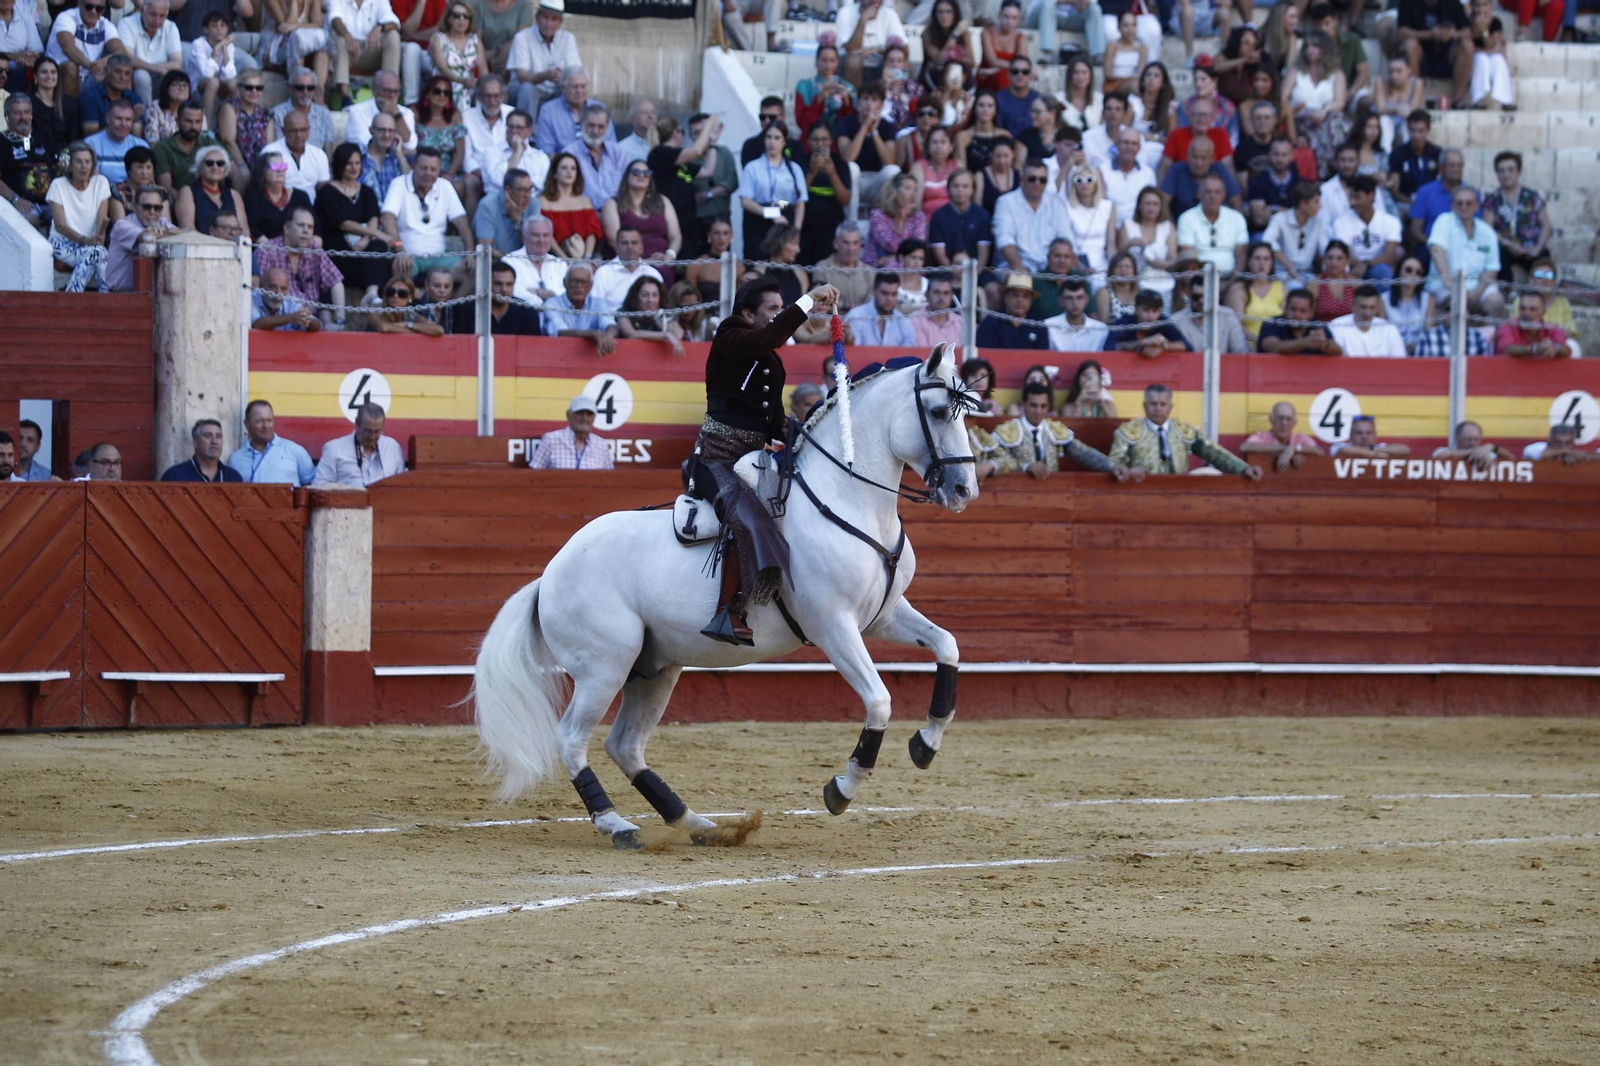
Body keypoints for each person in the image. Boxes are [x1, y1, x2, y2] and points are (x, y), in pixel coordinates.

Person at [692, 276, 838, 643]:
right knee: (751, 517)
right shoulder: (729, 333)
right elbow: (769, 336)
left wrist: (815, 431)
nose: (778, 314)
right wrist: (807, 301)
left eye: (780, 308)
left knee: (787, 511)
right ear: (747, 314)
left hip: (755, 460)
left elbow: (775, 425)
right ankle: (727, 612)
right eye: (772, 308)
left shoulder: (771, 361)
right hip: (715, 460)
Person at [1111, 383, 1260, 478]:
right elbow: (1113, 464)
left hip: (1179, 491)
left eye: (1163, 404)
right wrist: (1128, 472)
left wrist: (1243, 468)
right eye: (1153, 404)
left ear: (1170, 407)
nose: (1158, 408)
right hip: (1141, 493)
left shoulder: (1184, 430)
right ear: (1144, 405)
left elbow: (1214, 453)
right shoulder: (1129, 431)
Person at [989, 380, 1129, 480]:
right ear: (1023, 405)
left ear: (1049, 406)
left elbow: (1083, 453)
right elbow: (997, 461)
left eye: (1043, 406)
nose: (1038, 411)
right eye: (1033, 405)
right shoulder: (1007, 431)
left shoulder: (1055, 430)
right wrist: (1026, 467)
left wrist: (1111, 466)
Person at [381, 144, 472, 280]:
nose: (428, 173)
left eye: (433, 169)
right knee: (400, 268)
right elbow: (387, 219)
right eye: (423, 168)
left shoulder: (445, 186)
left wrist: (470, 254)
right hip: (408, 256)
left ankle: (451, 297)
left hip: (440, 257)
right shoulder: (399, 184)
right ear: (414, 167)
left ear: (439, 170)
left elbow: (462, 222)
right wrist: (399, 250)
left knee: (472, 272)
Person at [316, 142, 390, 300]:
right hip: (339, 253)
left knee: (379, 246)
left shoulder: (367, 191)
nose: (354, 167)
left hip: (362, 250)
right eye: (349, 163)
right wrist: (377, 233)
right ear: (340, 164)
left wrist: (366, 239)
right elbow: (343, 224)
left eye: (357, 163)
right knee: (377, 245)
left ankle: (371, 293)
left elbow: (373, 218)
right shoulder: (327, 192)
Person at [1427, 183, 1503, 319]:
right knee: (1456, 303)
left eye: (1468, 203)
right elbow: (1437, 252)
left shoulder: (1487, 232)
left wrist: (1476, 293)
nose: (1464, 207)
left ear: (1476, 206)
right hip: (1446, 285)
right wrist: (1452, 286)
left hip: (1477, 287)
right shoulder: (1444, 221)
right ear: (1452, 205)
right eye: (1459, 203)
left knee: (1496, 302)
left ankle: (1488, 333)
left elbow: (1492, 268)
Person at [256, 205, 346, 317]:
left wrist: (340, 319)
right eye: (301, 225)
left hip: (311, 319)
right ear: (287, 228)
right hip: (280, 319)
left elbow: (335, 282)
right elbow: (259, 293)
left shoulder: (314, 248)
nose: (306, 231)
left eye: (310, 227)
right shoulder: (266, 251)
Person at [1282, 31, 1350, 177]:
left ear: (1325, 49)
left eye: (1315, 46)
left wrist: (1324, 110)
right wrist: (1295, 111)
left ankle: (1334, 168)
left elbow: (1340, 101)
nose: (1310, 50)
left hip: (1326, 117)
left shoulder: (1337, 74)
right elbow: (1283, 98)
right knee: (1325, 131)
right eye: (1307, 46)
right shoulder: (1295, 71)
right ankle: (1327, 171)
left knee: (1334, 122)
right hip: (1300, 118)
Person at [45, 140, 110, 291]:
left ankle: (73, 294)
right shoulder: (58, 185)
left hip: (91, 245)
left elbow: (102, 220)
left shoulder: (101, 183)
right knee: (98, 255)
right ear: (70, 165)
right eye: (79, 162)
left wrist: (98, 238)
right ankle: (103, 298)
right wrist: (85, 240)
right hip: (62, 243)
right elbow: (60, 226)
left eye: (87, 162)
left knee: (98, 256)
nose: (84, 166)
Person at [1481, 150, 1550, 283]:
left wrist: (1539, 246)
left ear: (1519, 172)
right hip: (1505, 247)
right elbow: (1487, 229)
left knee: (1544, 260)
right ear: (1496, 173)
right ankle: (1506, 289)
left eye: (1510, 170)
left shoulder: (1531, 196)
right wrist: (1508, 244)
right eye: (1501, 170)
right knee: (1495, 253)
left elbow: (1546, 224)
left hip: (1531, 247)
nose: (1506, 174)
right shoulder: (1492, 199)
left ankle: (1542, 290)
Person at [994, 160, 1067, 275]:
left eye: (1042, 180)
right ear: (1022, 179)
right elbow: (1005, 240)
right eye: (1032, 179)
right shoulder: (1006, 202)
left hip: (1050, 267)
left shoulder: (1056, 203)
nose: (1037, 183)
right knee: (1019, 281)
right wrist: (1019, 268)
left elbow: (1066, 237)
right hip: (1014, 266)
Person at [1396, 0, 1472, 108]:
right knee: (1410, 44)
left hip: (1446, 57)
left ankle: (1458, 98)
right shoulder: (1408, 3)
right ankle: (1414, 95)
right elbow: (1401, 31)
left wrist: (1452, 34)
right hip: (1420, 58)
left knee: (1467, 45)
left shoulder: (1453, 3)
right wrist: (1430, 34)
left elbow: (1467, 31)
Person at [45, 0, 127, 99]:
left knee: (123, 69)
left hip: (91, 75)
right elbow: (68, 47)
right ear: (80, 4)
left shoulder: (105, 24)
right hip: (58, 77)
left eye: (99, 8)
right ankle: (71, 108)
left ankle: (125, 106)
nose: (93, 11)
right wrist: (92, 66)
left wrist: (105, 61)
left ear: (103, 10)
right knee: (71, 67)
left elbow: (121, 51)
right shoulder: (66, 17)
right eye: (89, 7)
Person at [328, 0, 402, 108]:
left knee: (393, 36)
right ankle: (345, 96)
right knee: (339, 38)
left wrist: (380, 27)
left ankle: (389, 93)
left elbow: (394, 23)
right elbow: (335, 20)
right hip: (347, 51)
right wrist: (347, 36)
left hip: (370, 50)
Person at [507, 0, 574, 116]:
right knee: (527, 89)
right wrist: (546, 75)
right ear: (537, 17)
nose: (549, 23)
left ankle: (565, 127)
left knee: (570, 87)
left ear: (560, 21)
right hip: (525, 91)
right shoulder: (522, 37)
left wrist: (563, 77)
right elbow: (522, 77)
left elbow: (576, 72)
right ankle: (527, 127)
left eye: (554, 19)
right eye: (545, 17)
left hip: (553, 91)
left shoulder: (568, 39)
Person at [315, 401, 408, 485]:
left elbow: (402, 485)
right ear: (357, 425)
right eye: (368, 431)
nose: (372, 437)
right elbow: (319, 486)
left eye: (377, 431)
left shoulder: (393, 447)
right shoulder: (334, 449)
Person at [104, 182, 173, 290]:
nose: (152, 212)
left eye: (157, 208)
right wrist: (167, 233)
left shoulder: (161, 222)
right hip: (120, 294)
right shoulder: (122, 225)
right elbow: (147, 238)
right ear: (135, 207)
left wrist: (166, 232)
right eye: (147, 207)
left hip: (149, 293)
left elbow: (184, 234)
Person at [1176, 174, 1247, 278]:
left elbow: (1241, 255)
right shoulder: (1186, 218)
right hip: (1198, 278)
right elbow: (1188, 257)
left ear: (1224, 195)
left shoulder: (1237, 218)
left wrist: (1232, 281)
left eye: (1217, 192)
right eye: (1208, 192)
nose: (1212, 196)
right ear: (1199, 194)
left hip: (1232, 279)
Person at [535, 65, 612, 156]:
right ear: (563, 88)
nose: (579, 91)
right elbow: (546, 151)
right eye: (575, 87)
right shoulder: (548, 111)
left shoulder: (600, 108)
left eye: (583, 86)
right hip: (563, 162)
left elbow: (611, 145)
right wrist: (566, 163)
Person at [541, 262, 617, 353]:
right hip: (556, 354)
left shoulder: (598, 303)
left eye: (583, 282)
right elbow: (560, 332)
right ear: (565, 283)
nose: (579, 286)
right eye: (574, 281)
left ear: (590, 286)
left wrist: (608, 337)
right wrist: (593, 333)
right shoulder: (552, 304)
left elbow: (610, 324)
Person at [261, 0, 331, 99]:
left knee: (325, 43)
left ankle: (319, 94)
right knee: (297, 37)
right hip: (276, 45)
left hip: (301, 42)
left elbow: (318, 23)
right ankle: (297, 87)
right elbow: (286, 27)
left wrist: (298, 25)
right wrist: (294, 3)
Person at [174, 142, 246, 237]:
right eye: (209, 163)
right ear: (199, 167)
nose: (215, 167)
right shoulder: (187, 192)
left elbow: (245, 232)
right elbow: (188, 230)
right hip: (200, 245)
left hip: (234, 245)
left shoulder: (234, 195)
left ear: (225, 168)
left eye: (220, 163)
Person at [1158, 136, 1240, 220]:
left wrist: (1236, 223)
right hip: (1181, 223)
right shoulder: (1176, 170)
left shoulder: (1220, 169)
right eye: (1195, 157)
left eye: (1203, 158)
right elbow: (1163, 201)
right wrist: (1171, 225)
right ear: (1187, 156)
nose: (1198, 163)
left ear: (1212, 158)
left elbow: (1236, 200)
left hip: (1216, 224)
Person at [216, 69, 273, 190]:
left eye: (259, 88)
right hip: (235, 160)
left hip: (259, 163)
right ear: (239, 88)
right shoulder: (230, 108)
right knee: (241, 177)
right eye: (249, 87)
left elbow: (269, 146)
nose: (254, 91)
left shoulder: (265, 114)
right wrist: (242, 166)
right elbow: (228, 140)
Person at [259, 108, 328, 203]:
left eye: (303, 130)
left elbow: (323, 187)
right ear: (283, 131)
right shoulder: (269, 152)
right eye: (293, 131)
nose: (299, 135)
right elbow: (262, 186)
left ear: (309, 130)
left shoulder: (319, 154)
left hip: (312, 206)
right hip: (280, 206)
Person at [242, 149, 312, 241]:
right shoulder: (253, 196)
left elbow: (316, 229)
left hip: (300, 248)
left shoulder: (301, 196)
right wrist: (272, 248)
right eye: (275, 166)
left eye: (283, 166)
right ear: (263, 171)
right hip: (265, 247)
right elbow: (253, 228)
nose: (280, 170)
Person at [154, 97, 221, 193]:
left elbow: (234, 171)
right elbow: (166, 189)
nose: (194, 126)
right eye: (188, 121)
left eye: (198, 122)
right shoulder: (163, 148)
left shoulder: (209, 143)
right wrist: (186, 200)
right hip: (179, 198)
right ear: (177, 121)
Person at [1174, 270, 1248, 354]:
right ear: (1189, 295)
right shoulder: (1177, 322)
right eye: (1196, 297)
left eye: (1207, 296)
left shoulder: (1228, 317)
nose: (1201, 301)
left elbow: (1240, 351)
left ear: (1215, 296)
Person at [185, 11, 238, 125]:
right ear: (206, 29)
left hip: (220, 88)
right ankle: (206, 126)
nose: (219, 29)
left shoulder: (229, 45)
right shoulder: (198, 44)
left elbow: (231, 75)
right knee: (213, 82)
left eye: (223, 26)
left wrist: (224, 47)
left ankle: (238, 124)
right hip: (198, 88)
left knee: (234, 84)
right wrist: (216, 51)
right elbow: (207, 74)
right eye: (214, 26)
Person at [1239, 400, 1324, 472]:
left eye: (1288, 419)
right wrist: (1286, 450)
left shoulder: (1300, 438)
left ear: (1294, 422)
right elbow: (1245, 447)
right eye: (1280, 418)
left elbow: (1319, 451)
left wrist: (1293, 448)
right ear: (1272, 419)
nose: (1284, 423)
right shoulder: (1262, 436)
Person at [429, 1, 482, 113]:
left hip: (471, 82)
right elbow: (442, 68)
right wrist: (462, 81)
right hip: (447, 80)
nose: (462, 19)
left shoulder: (475, 40)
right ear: (449, 19)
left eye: (466, 16)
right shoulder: (438, 39)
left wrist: (482, 83)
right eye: (457, 16)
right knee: (460, 90)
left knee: (487, 90)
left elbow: (483, 69)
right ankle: (463, 121)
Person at [838, 0, 907, 86]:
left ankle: (901, 93)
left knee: (903, 61)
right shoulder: (846, 12)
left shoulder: (889, 13)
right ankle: (854, 94)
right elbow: (851, 49)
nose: (874, 1)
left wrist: (877, 49)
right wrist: (863, 20)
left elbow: (904, 47)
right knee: (853, 61)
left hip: (882, 62)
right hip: (854, 65)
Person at [270, 67, 336, 157]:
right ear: (290, 89)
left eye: (310, 88)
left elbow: (329, 151)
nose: (305, 92)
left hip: (316, 163)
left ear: (315, 90)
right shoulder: (277, 114)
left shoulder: (324, 114)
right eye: (300, 88)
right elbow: (276, 149)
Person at [591, 226, 663, 307]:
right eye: (624, 243)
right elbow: (596, 307)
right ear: (617, 247)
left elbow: (661, 307)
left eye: (634, 243)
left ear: (642, 248)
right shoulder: (603, 273)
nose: (630, 247)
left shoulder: (653, 274)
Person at [84, 98, 149, 186]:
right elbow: (92, 183)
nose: (123, 124)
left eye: (128, 119)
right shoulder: (91, 144)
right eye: (118, 118)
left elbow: (149, 182)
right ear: (108, 119)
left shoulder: (141, 146)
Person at [1257, 287, 1342, 355]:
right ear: (1285, 308)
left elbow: (1337, 351)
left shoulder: (1317, 325)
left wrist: (1324, 344)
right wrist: (1306, 342)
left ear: (1311, 313)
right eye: (1293, 309)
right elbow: (1272, 347)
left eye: (1303, 311)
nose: (1297, 314)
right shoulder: (1272, 323)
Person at [1105, 288, 1189, 356]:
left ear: (1160, 311)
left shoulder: (1163, 322)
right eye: (1146, 310)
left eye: (1155, 311)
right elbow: (1109, 347)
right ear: (1137, 309)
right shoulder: (1125, 322)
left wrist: (1163, 347)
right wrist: (1142, 342)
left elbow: (1186, 346)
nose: (1150, 315)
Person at [1329, 284, 1406, 357]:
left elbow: (1399, 361)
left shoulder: (1389, 329)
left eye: (1372, 308)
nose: (1367, 313)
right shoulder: (1337, 326)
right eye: (1363, 307)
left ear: (1378, 307)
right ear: (1353, 305)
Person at [845, 270, 918, 347]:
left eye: (894, 294)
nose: (889, 299)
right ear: (874, 290)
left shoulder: (903, 321)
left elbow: (909, 350)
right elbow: (854, 350)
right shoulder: (856, 316)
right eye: (884, 293)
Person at [975, 273, 1047, 350]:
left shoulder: (1038, 324)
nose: (1020, 300)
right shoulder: (991, 322)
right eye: (1015, 295)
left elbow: (1043, 355)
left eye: (1025, 296)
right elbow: (984, 353)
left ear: (1031, 301)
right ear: (1006, 297)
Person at [1494, 290, 1572, 359]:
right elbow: (1506, 349)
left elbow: (1566, 349)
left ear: (1543, 312)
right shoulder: (1508, 326)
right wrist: (1534, 349)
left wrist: (1554, 349)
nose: (1527, 313)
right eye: (1523, 308)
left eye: (1533, 309)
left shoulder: (1552, 328)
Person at [160, 418, 245, 482]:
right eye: (208, 435)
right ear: (195, 442)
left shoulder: (233, 477)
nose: (214, 441)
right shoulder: (175, 476)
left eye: (218, 436)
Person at [1388, 109, 1440, 210]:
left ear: (1428, 130)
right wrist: (1411, 203)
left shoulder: (1437, 153)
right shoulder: (1397, 154)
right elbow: (1394, 190)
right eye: (1413, 130)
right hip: (1406, 202)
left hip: (1431, 201)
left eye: (1421, 131)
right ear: (1408, 129)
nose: (1416, 136)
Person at [1045, 278, 1110, 354]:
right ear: (1061, 301)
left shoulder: (1100, 329)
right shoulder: (1049, 326)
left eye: (1079, 297)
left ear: (1087, 300)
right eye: (1069, 298)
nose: (1075, 303)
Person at [358, 110, 410, 202]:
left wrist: (399, 154)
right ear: (371, 130)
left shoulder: (397, 158)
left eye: (391, 131)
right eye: (382, 130)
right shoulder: (358, 156)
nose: (387, 135)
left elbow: (410, 183)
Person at [367, 273, 442, 334]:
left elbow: (438, 329)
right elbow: (385, 327)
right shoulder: (376, 307)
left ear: (410, 297)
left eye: (402, 293)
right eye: (391, 292)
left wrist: (408, 324)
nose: (395, 296)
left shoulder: (410, 314)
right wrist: (415, 332)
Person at [252, 266, 322, 330]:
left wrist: (308, 320)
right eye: (273, 287)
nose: (278, 293)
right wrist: (290, 318)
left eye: (283, 289)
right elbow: (256, 324)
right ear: (261, 286)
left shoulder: (291, 302)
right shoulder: (250, 299)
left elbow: (317, 325)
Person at [1102, 10, 1147, 96]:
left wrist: (1131, 79)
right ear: (1119, 27)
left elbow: (1141, 73)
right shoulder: (1112, 46)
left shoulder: (1142, 48)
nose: (1130, 29)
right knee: (1136, 86)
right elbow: (1108, 74)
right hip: (1114, 85)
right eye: (1126, 25)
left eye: (1133, 25)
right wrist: (1128, 79)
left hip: (1134, 83)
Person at [1329, 415, 1409, 458]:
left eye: (1369, 433)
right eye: (1359, 433)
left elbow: (1404, 449)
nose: (1364, 436)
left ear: (1375, 435)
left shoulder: (1379, 447)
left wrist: (1372, 450)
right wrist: (1374, 454)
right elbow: (1344, 450)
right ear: (1351, 436)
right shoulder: (1339, 446)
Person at [1524, 424, 1591, 464]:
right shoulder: (1536, 448)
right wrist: (1566, 452)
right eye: (1558, 442)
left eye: (1568, 443)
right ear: (1549, 441)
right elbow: (1542, 454)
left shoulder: (1573, 455)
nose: (1563, 446)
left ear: (1573, 443)